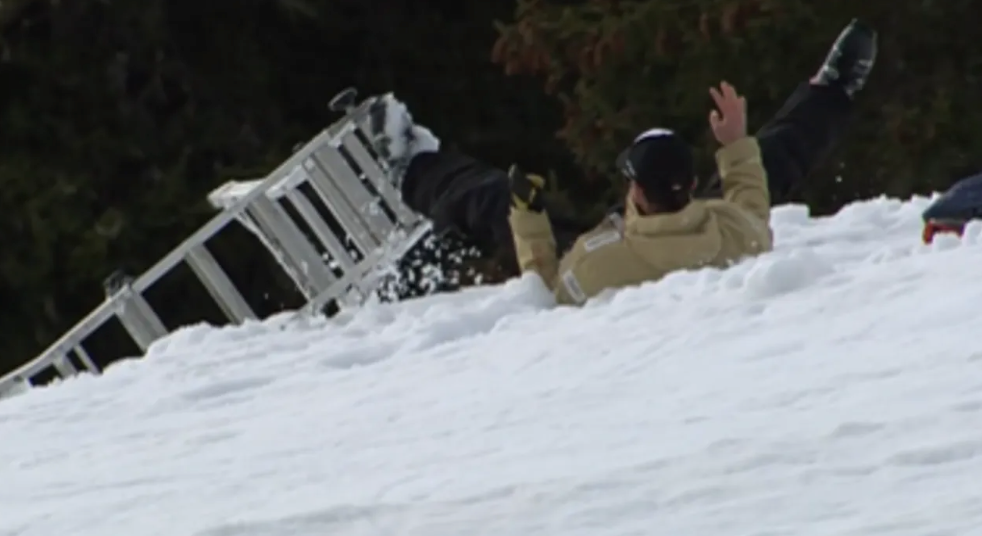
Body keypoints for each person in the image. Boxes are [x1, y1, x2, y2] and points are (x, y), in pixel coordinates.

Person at [366, 19, 878, 304]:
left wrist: (526, 216)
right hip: (672, 239)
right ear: (691, 185)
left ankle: (412, 163)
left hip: (622, 257)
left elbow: (546, 286)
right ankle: (832, 90)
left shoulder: (596, 265)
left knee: (493, 201)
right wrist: (736, 143)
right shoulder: (733, 230)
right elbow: (750, 197)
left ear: (635, 193)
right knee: (769, 161)